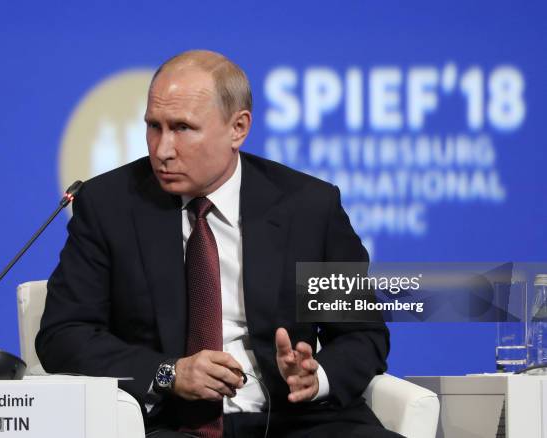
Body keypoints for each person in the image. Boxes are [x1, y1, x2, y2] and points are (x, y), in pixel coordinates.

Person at [36, 50, 400, 438]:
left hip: (300, 421)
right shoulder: (108, 206)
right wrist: (169, 372)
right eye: (153, 126)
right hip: (172, 425)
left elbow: (362, 335)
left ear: (238, 128)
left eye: (182, 128)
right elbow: (64, 335)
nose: (162, 150)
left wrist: (316, 378)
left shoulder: (308, 207)